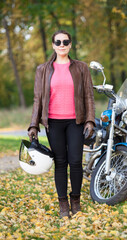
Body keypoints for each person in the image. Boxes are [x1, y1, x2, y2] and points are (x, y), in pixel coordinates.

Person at [28, 30, 95, 218]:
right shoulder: (43, 70)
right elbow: (37, 99)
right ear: (53, 45)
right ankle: (63, 203)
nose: (62, 44)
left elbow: (89, 96)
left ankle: (76, 200)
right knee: (60, 162)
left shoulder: (81, 68)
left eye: (66, 41)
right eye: (58, 42)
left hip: (76, 121)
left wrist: (90, 120)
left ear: (71, 44)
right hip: (53, 122)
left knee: (75, 162)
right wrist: (34, 124)